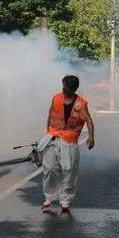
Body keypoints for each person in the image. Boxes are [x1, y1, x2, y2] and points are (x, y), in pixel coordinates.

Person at [40, 75, 95, 214]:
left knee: (69, 170)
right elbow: (50, 113)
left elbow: (88, 119)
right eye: (63, 86)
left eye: (65, 86)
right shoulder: (56, 98)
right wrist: (48, 132)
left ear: (73, 89)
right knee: (50, 168)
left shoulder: (81, 103)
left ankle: (65, 200)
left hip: (69, 141)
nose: (63, 88)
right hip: (53, 137)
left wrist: (91, 137)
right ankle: (49, 197)